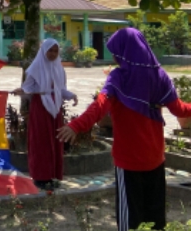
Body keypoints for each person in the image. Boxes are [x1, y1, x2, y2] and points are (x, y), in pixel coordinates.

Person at [59, 27, 191, 230]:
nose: (114, 56)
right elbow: (179, 109)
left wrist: (77, 125)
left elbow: (100, 105)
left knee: (129, 220)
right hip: (155, 157)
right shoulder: (160, 76)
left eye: (115, 51)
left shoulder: (119, 77)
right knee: (155, 218)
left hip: (129, 161)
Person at [14, 39, 77, 189]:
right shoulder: (35, 68)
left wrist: (72, 95)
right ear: (44, 51)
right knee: (41, 141)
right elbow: (28, 88)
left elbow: (61, 89)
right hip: (41, 108)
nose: (53, 54)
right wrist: (22, 90)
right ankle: (40, 176)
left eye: (55, 51)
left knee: (55, 140)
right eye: (50, 50)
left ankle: (53, 174)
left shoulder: (59, 68)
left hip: (56, 109)